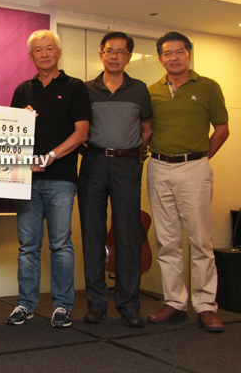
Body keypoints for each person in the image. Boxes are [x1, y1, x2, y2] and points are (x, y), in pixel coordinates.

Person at [146, 32, 229, 332]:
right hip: (157, 167)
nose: (174, 58)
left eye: (179, 52)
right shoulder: (152, 91)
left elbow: (222, 129)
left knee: (200, 240)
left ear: (189, 54)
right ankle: (175, 302)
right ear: (160, 58)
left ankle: (206, 306)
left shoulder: (208, 87)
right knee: (166, 241)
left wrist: (201, 157)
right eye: (167, 53)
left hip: (194, 167)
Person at [8, 30, 91, 328]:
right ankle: (25, 304)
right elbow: (9, 133)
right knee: (27, 245)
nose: (44, 54)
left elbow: (82, 132)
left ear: (58, 52)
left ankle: (62, 306)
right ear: (30, 56)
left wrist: (50, 157)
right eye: (38, 50)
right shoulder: (23, 90)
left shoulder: (75, 87)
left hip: (61, 179)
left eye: (49, 48)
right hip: (26, 180)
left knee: (60, 243)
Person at [78, 32, 152, 328]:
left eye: (121, 52)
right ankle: (96, 305)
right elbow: (78, 127)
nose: (114, 56)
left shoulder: (139, 90)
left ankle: (128, 305)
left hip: (126, 166)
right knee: (93, 235)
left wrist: (133, 154)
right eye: (109, 51)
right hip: (93, 163)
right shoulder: (85, 89)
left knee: (128, 236)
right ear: (101, 54)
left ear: (129, 57)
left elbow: (147, 128)